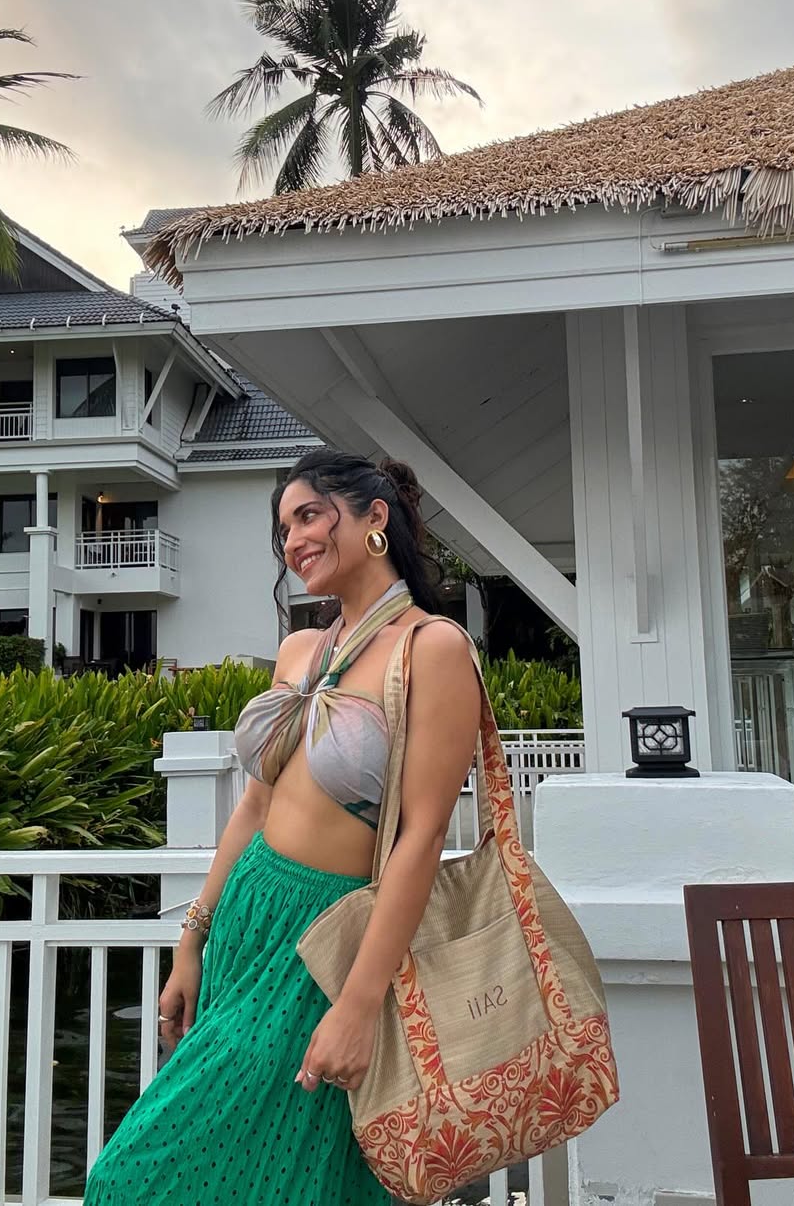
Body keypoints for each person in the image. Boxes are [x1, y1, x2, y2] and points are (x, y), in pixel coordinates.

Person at [83, 448, 482, 1205]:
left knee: (140, 1178)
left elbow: (423, 837)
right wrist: (193, 937)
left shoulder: (432, 649)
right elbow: (256, 806)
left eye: (308, 516)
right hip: (249, 918)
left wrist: (358, 1005)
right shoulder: (302, 649)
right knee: (256, 1172)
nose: (293, 540)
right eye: (284, 527)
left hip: (330, 940)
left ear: (374, 518)